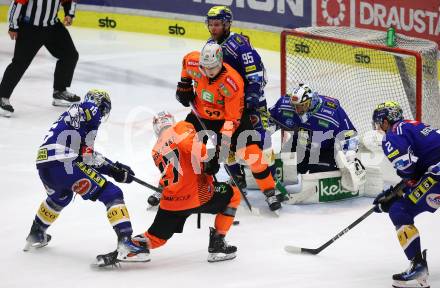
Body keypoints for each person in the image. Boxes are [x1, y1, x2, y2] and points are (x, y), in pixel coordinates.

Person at [96, 111, 241, 267]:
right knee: (233, 194)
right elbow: (189, 146)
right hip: (198, 195)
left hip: (171, 201)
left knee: (155, 238)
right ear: (172, 121)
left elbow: (174, 172)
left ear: (156, 128)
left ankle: (127, 248)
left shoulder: (156, 149)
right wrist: (209, 159)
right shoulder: (181, 127)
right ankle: (218, 244)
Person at [24, 89, 149, 265]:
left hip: (44, 163)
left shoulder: (71, 114)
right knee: (112, 193)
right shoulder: (93, 110)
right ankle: (126, 244)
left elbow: (83, 154)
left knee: (60, 197)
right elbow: (87, 157)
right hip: (65, 162)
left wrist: (113, 167)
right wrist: (114, 170)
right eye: (105, 109)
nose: (103, 114)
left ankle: (36, 233)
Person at [176, 42, 283, 212]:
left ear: (220, 62)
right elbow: (186, 63)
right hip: (200, 115)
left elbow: (231, 122)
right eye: (205, 67)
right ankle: (181, 186)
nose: (208, 71)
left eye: (213, 67)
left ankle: (270, 191)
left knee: (252, 155)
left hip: (231, 120)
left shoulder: (232, 83)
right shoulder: (194, 63)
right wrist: (184, 84)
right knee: (183, 144)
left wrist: (219, 152)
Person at [372, 101, 440, 288]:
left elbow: (408, 168)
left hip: (437, 175)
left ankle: (418, 266)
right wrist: (394, 191)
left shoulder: (392, 135)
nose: (379, 127)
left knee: (400, 210)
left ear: (386, 121)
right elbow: (417, 169)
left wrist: (395, 197)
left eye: (380, 123)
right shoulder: (412, 125)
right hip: (435, 172)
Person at [205, 6, 273, 190]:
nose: (213, 28)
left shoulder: (240, 45)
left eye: (217, 24)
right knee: (224, 144)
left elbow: (256, 75)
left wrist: (251, 98)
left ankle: (272, 183)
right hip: (227, 107)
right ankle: (237, 177)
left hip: (252, 105)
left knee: (260, 142)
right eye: (210, 24)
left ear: (227, 24)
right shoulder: (210, 45)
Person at [0, 0, 80, 117]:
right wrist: (13, 26)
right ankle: (2, 96)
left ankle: (59, 92)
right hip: (30, 28)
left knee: (70, 55)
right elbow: (17, 3)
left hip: (53, 27)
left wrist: (69, 14)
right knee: (20, 63)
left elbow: (68, 0)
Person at [269, 83, 359, 175]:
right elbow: (268, 119)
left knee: (318, 174)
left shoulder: (332, 112)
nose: (297, 110)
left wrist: (349, 157)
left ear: (311, 102)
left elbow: (350, 135)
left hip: (325, 151)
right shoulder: (284, 104)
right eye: (294, 106)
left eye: (301, 106)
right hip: (299, 145)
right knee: (283, 169)